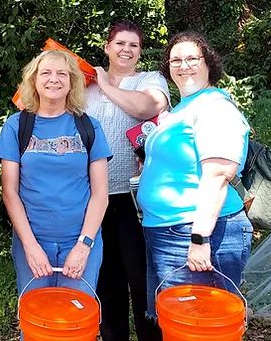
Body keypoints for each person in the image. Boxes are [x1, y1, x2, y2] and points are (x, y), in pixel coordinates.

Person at [138, 31, 253, 325]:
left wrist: (200, 239)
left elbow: (218, 175)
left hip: (198, 232)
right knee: (178, 322)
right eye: (176, 60)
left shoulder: (214, 106)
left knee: (201, 325)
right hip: (166, 230)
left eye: (192, 58)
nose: (183, 65)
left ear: (208, 63)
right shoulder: (182, 109)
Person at [0, 50, 112, 302]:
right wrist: (30, 246)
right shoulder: (17, 126)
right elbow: (10, 192)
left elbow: (101, 194)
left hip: (81, 240)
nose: (54, 79)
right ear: (34, 80)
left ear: (72, 82)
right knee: (37, 322)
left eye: (62, 74)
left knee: (76, 322)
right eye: (46, 73)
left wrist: (84, 246)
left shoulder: (89, 126)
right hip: (32, 241)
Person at [85, 21, 170, 341]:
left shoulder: (149, 80)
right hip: (95, 198)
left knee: (142, 281)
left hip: (137, 199)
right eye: (120, 43)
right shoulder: (85, 86)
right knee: (107, 283)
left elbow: (149, 106)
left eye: (133, 45)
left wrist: (105, 84)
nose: (126, 50)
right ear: (107, 47)